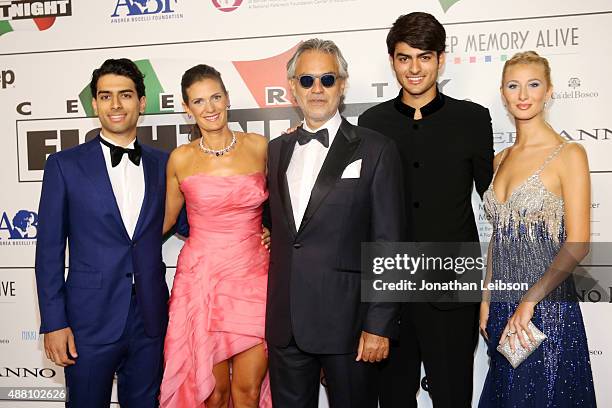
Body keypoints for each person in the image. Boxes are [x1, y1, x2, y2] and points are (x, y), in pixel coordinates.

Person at [358, 12, 494, 407]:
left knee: (453, 395)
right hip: (390, 282)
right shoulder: (372, 122)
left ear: (441, 59)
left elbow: (494, 195)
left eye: (424, 57)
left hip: (453, 279)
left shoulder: (472, 119)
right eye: (405, 58)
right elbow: (358, 205)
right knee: (394, 397)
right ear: (393, 61)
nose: (414, 68)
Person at [265, 38, 404, 408]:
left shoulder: (376, 149)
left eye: (327, 79)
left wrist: (378, 324)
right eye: (306, 80)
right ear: (292, 88)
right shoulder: (276, 150)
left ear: (342, 84)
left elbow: (389, 243)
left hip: (350, 326)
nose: (317, 89)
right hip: (286, 323)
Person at [35, 58, 182, 407]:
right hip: (88, 319)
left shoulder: (167, 163)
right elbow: (48, 252)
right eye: (105, 96)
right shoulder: (64, 165)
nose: (115, 105)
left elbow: (195, 219)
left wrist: (259, 229)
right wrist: (54, 323)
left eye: (125, 95)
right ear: (95, 103)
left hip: (150, 317)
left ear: (141, 102)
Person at [478, 51, 597, 407]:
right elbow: (498, 238)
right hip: (502, 303)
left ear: (549, 92)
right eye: (513, 86)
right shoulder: (499, 159)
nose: (523, 95)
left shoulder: (568, 154)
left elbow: (578, 243)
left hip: (547, 305)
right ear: (503, 93)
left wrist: (530, 300)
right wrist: (485, 300)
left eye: (533, 84)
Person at [159, 64, 272, 407]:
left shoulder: (260, 147)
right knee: (214, 393)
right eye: (198, 101)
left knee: (249, 390)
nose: (209, 108)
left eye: (215, 97)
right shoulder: (180, 159)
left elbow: (291, 205)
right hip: (202, 281)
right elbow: (164, 222)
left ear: (227, 98)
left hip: (254, 277)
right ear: (186, 107)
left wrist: (274, 233)